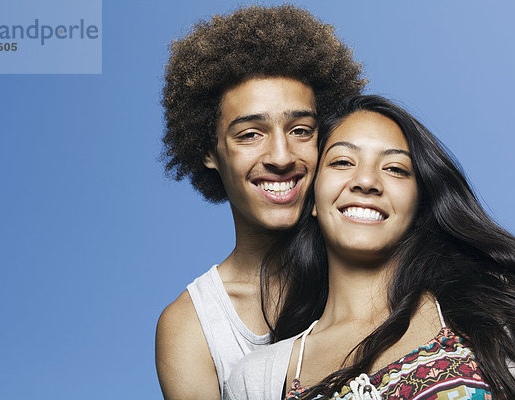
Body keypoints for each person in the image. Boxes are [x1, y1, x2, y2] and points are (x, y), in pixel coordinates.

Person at [225, 95, 515, 399]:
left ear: (419, 204)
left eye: (395, 168)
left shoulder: (491, 317)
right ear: (311, 199)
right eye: (342, 162)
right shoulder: (257, 379)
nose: (366, 181)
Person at [155, 5, 365, 399]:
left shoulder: (374, 254)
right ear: (209, 152)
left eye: (301, 130)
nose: (282, 156)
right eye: (250, 134)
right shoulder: (193, 327)